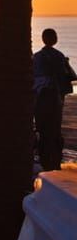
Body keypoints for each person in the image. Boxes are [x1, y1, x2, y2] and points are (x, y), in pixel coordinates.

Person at [33, 27, 76, 171]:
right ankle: (53, 162)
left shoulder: (37, 56)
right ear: (54, 39)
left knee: (41, 128)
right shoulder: (59, 56)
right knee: (54, 130)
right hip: (55, 98)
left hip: (39, 97)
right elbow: (71, 75)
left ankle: (43, 158)